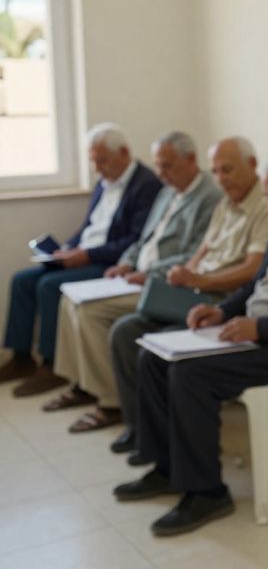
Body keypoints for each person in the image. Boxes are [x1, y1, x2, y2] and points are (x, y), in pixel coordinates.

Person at [112, 151, 268, 537]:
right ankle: (166, 468)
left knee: (190, 373)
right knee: (154, 354)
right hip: (256, 334)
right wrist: (221, 312)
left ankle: (207, 492)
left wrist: (261, 327)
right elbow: (255, 286)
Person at [105, 136, 268, 457]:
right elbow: (201, 251)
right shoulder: (225, 204)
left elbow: (253, 269)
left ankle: (164, 442)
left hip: (223, 301)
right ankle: (140, 429)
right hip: (194, 293)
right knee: (124, 331)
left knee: (155, 347)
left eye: (228, 169)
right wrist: (183, 274)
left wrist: (201, 279)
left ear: (252, 165)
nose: (222, 178)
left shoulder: (266, 205)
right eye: (216, 171)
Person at [46, 131, 221, 425]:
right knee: (69, 300)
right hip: (137, 276)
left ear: (191, 159)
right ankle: (84, 385)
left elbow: (195, 255)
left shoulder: (210, 198)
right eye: (158, 166)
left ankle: (113, 402)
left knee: (91, 311)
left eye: (167, 166)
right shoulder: (167, 192)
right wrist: (126, 263)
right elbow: (143, 239)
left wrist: (148, 273)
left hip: (168, 284)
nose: (161, 174)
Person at [1, 123, 162, 394]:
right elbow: (89, 226)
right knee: (22, 281)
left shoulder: (146, 185)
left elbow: (135, 239)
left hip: (106, 263)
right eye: (93, 161)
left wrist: (86, 255)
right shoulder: (104, 182)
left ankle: (53, 364)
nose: (97, 168)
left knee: (50, 285)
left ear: (124, 153)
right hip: (83, 255)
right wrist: (66, 248)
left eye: (102, 161)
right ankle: (20, 357)